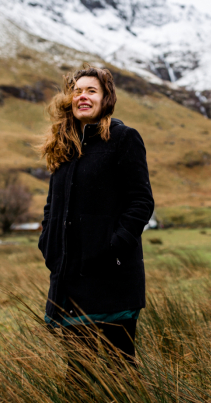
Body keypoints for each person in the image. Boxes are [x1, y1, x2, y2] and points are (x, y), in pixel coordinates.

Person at [38, 64, 154, 371]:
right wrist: (47, 244)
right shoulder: (63, 144)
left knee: (120, 371)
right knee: (78, 372)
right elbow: (53, 205)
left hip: (113, 278)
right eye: (77, 91)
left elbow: (141, 202)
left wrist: (111, 249)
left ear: (106, 98)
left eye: (92, 91)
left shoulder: (124, 138)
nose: (83, 97)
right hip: (70, 279)